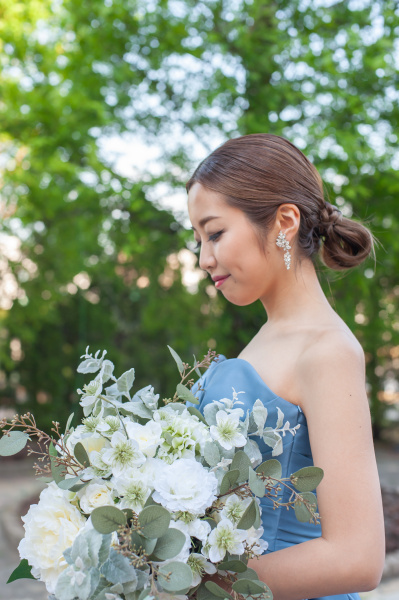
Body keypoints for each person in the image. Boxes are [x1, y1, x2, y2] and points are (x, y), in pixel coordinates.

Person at [186, 134, 385, 600]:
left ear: (285, 221)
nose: (203, 258)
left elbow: (357, 557)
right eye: (198, 239)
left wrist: (198, 585)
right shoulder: (263, 341)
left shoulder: (328, 351)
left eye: (214, 233)